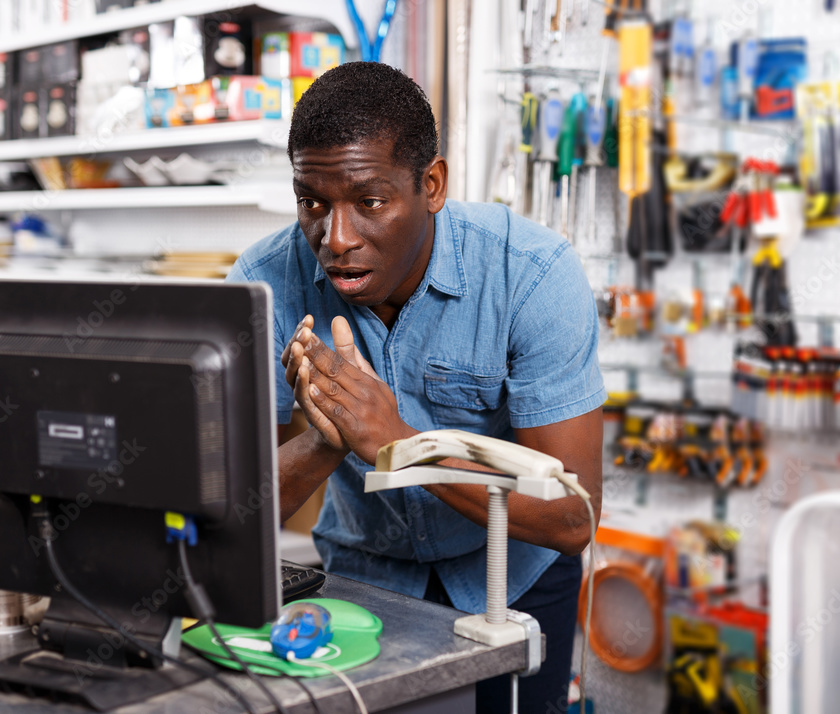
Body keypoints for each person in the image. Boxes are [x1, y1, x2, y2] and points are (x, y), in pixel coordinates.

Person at [226, 61, 605, 713]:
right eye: (311, 201)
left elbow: (572, 519)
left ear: (430, 185)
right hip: (365, 577)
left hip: (513, 576)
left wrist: (401, 446)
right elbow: (230, 517)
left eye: (368, 201)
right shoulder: (265, 283)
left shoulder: (533, 276)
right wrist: (323, 442)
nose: (334, 238)